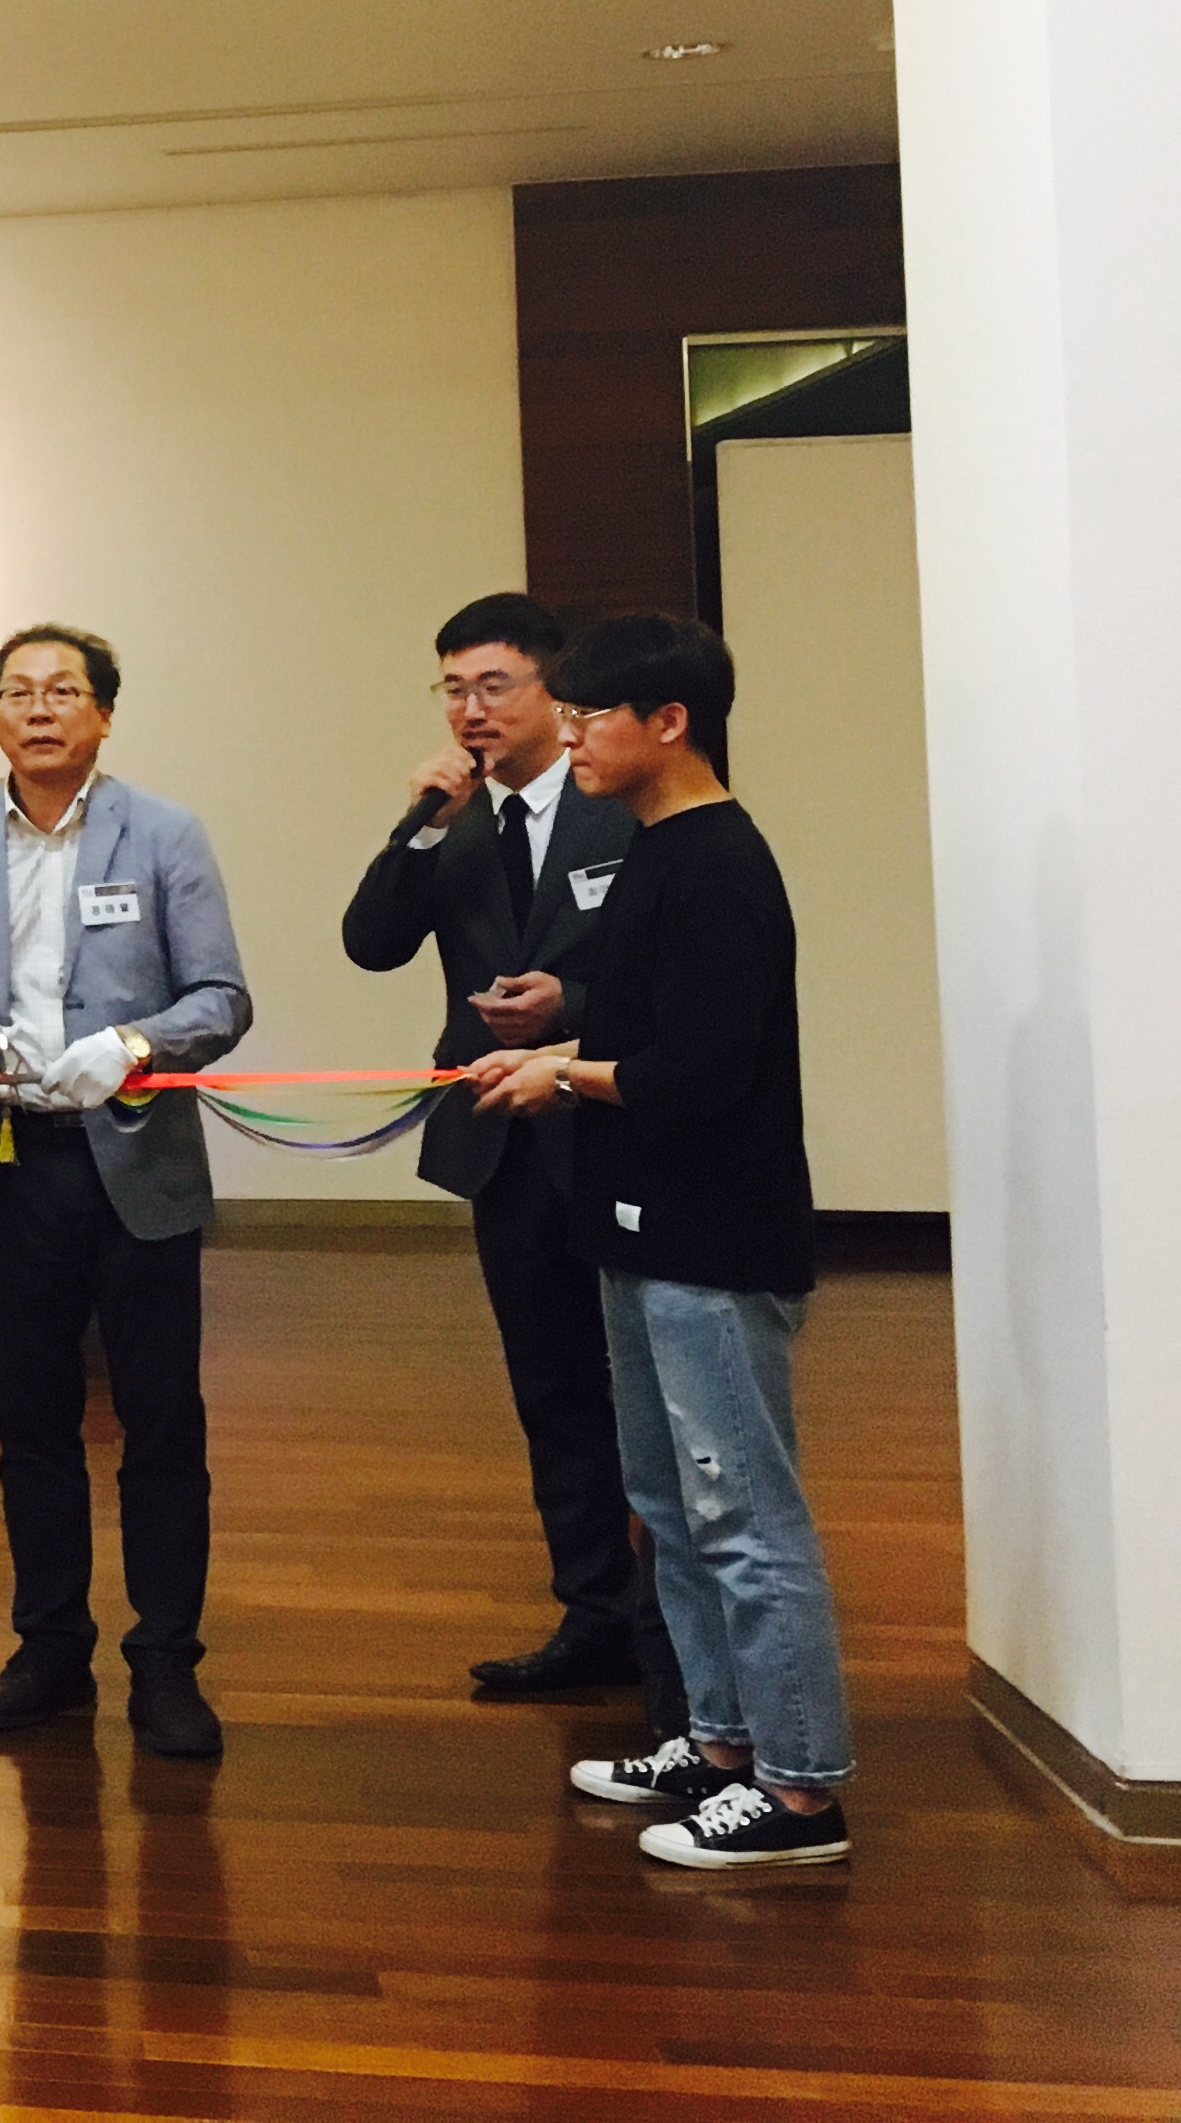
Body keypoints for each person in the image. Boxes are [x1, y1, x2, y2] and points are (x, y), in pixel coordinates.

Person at [466, 611, 854, 1868]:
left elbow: (699, 1073)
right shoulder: (655, 849)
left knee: (745, 1515)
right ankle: (717, 1744)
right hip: (638, 1230)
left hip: (713, 1239)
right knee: (670, 1508)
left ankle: (801, 1794)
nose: (571, 736)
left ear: (669, 723)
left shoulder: (721, 864)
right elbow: (647, 1034)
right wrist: (558, 1054)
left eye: (592, 716)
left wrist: (565, 1076)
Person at [0, 624, 252, 1760]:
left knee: (160, 1419)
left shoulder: (164, 830)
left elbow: (221, 998)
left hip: (135, 1162)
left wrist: (135, 1044)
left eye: (64, 691)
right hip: (7, 1163)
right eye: (17, 692)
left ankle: (166, 1658)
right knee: (29, 1421)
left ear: (104, 714)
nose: (39, 710)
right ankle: (49, 1646)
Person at [340, 594, 680, 1719]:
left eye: (494, 686)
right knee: (551, 1384)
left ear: (552, 690)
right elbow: (371, 944)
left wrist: (568, 1003)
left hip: (615, 1129)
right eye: (453, 689)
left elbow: (676, 973)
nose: (471, 710)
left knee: (647, 1390)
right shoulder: (457, 823)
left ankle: (671, 1630)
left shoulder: (620, 804)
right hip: (505, 1143)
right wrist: (420, 824)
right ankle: (593, 1614)